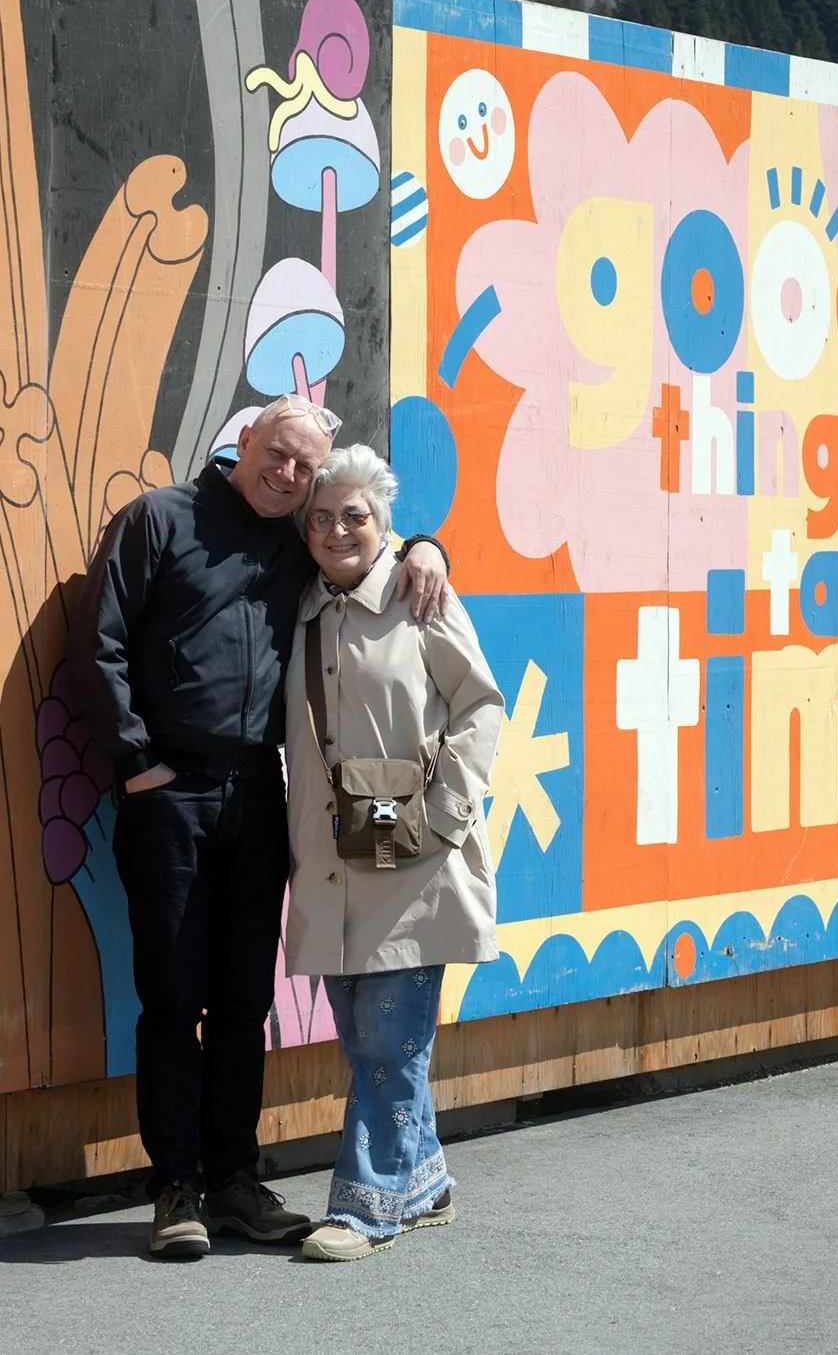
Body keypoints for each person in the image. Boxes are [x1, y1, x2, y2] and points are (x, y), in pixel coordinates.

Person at [74, 398, 451, 1260]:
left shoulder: (300, 540)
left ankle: (236, 1179)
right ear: (243, 443)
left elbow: (370, 545)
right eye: (276, 456)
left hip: (257, 793)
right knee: (172, 1001)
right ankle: (176, 1189)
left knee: (244, 1003)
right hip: (168, 793)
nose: (288, 476)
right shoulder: (158, 520)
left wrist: (428, 547)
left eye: (303, 468)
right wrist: (136, 762)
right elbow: (100, 642)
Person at [283, 444, 503, 1262]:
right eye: (322, 516)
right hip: (336, 866)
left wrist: (445, 814)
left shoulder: (421, 595)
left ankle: (367, 1204)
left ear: (385, 524)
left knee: (387, 1037)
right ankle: (428, 1181)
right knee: (367, 1033)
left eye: (356, 515)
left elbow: (482, 701)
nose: (338, 528)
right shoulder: (299, 605)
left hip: (415, 864)